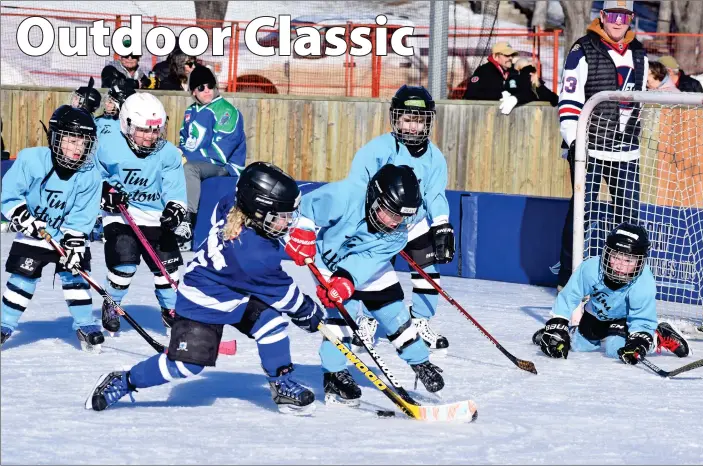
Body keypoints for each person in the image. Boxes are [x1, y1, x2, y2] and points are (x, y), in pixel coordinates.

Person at [86, 162, 323, 415]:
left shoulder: (231, 205)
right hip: (203, 303)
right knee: (185, 367)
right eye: (281, 216)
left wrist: (299, 231)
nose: (287, 223)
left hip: (236, 293)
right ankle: (124, 381)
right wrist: (309, 313)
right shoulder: (254, 255)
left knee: (272, 326)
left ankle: (281, 384)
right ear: (258, 211)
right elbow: (284, 295)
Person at [286, 163, 444, 407]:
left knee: (394, 314)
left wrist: (348, 280)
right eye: (390, 213)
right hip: (329, 262)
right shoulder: (346, 194)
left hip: (370, 267)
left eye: (401, 216)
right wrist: (303, 232)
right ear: (375, 196)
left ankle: (420, 360)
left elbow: (368, 260)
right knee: (342, 320)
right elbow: (307, 208)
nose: (394, 222)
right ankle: (335, 374)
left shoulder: (398, 231)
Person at [337, 85, 454, 353]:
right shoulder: (377, 149)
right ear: (396, 118)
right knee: (373, 274)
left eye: (420, 120)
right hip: (380, 225)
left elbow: (435, 195)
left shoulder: (435, 158)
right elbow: (358, 185)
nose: (413, 127)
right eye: (407, 119)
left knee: (429, 274)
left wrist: (442, 224)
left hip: (414, 224)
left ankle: (421, 320)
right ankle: (368, 320)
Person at [555, 0, 648, 292]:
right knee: (583, 214)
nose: (618, 22)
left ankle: (622, 281)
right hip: (589, 148)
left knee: (628, 216)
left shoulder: (639, 51)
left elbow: (639, 97)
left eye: (625, 16)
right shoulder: (582, 50)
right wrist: (574, 143)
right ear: (603, 16)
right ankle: (569, 280)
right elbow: (569, 101)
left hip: (625, 150)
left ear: (631, 19)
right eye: (613, 15)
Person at [0, 105, 103, 351]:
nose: (78, 148)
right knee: (22, 278)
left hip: (65, 236)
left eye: (83, 141)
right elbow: (10, 193)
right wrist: (22, 216)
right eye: (71, 140)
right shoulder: (31, 159)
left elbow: (82, 215)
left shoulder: (90, 175)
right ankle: (4, 324)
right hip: (34, 233)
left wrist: (76, 243)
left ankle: (84, 323)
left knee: (75, 277)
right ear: (55, 137)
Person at [94, 92, 187, 337]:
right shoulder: (108, 147)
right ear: (126, 125)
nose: (150, 137)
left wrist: (175, 208)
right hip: (121, 215)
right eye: (143, 131)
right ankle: (112, 303)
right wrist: (104, 191)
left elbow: (174, 187)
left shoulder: (167, 153)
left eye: (155, 131)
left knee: (168, 268)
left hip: (154, 216)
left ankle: (171, 312)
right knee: (124, 263)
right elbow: (92, 176)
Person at [533, 222, 691, 363]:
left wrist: (640, 339)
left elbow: (641, 318)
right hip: (595, 315)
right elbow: (569, 297)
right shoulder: (591, 269)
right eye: (615, 257)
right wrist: (558, 324)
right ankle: (572, 333)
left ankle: (658, 336)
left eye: (628, 261)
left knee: (616, 350)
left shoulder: (643, 281)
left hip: (624, 320)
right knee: (579, 347)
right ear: (607, 253)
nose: (620, 266)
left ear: (640, 261)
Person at [176, 65, 246, 250]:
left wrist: (186, 157)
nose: (206, 90)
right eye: (200, 87)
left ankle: (186, 223)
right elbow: (184, 139)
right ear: (193, 92)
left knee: (189, 169)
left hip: (225, 167)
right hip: (197, 160)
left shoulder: (226, 111)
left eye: (209, 85)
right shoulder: (191, 111)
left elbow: (220, 152)